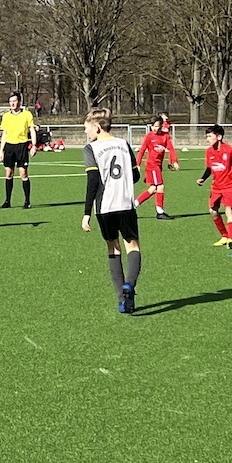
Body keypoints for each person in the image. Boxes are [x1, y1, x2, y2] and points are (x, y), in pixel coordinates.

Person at [80, 108, 143, 314]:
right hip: (125, 204)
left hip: (104, 207)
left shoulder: (91, 148)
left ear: (97, 127)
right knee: (132, 246)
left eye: (87, 128)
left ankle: (122, 300)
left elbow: (93, 181)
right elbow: (135, 176)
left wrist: (86, 213)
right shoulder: (124, 144)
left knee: (113, 248)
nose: (86, 132)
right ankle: (130, 284)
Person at [135, 115, 180, 219]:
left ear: (161, 126)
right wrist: (138, 164)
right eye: (153, 126)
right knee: (160, 186)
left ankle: (133, 205)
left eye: (156, 126)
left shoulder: (165, 136)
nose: (154, 128)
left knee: (153, 189)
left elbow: (171, 149)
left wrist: (175, 161)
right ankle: (160, 212)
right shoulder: (149, 136)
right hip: (152, 165)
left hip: (158, 166)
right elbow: (142, 150)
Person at [0, 91, 37, 209]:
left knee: (23, 173)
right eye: (10, 101)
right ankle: (7, 201)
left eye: (14, 101)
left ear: (19, 101)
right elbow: (4, 133)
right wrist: (1, 150)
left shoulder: (27, 114)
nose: (12, 103)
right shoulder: (6, 116)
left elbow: (32, 130)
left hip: (22, 145)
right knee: (8, 173)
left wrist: (34, 145)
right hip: (9, 146)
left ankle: (27, 201)